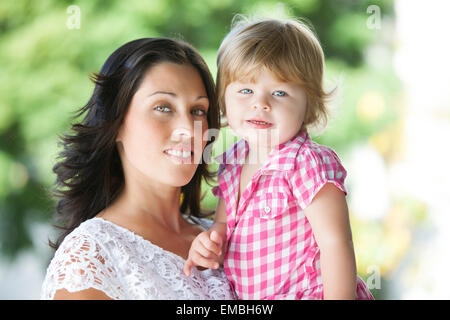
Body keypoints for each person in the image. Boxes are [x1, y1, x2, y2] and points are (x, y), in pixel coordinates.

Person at [183, 17, 374, 300]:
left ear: (309, 104)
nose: (261, 103)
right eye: (245, 90)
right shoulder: (232, 161)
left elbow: (336, 244)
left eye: (280, 92)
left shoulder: (306, 163)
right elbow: (223, 226)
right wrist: (210, 243)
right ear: (223, 98)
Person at [40, 37, 234, 299]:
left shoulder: (225, 237)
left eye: (198, 111)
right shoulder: (90, 256)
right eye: (163, 107)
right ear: (117, 122)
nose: (189, 129)